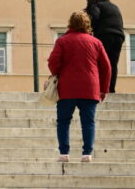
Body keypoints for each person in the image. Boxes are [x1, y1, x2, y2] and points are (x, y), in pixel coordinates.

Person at [48, 11, 112, 162]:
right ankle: (87, 154)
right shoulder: (96, 42)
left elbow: (53, 62)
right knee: (88, 122)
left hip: (67, 88)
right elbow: (106, 67)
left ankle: (64, 153)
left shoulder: (62, 41)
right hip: (90, 88)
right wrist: (104, 89)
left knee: (63, 121)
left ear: (70, 23)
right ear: (87, 24)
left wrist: (56, 72)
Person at [84, 0, 125, 93]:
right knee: (113, 63)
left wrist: (91, 29)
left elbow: (95, 17)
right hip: (119, 36)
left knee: (101, 62)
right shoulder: (113, 6)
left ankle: (100, 88)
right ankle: (111, 89)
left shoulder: (95, 4)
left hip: (105, 35)